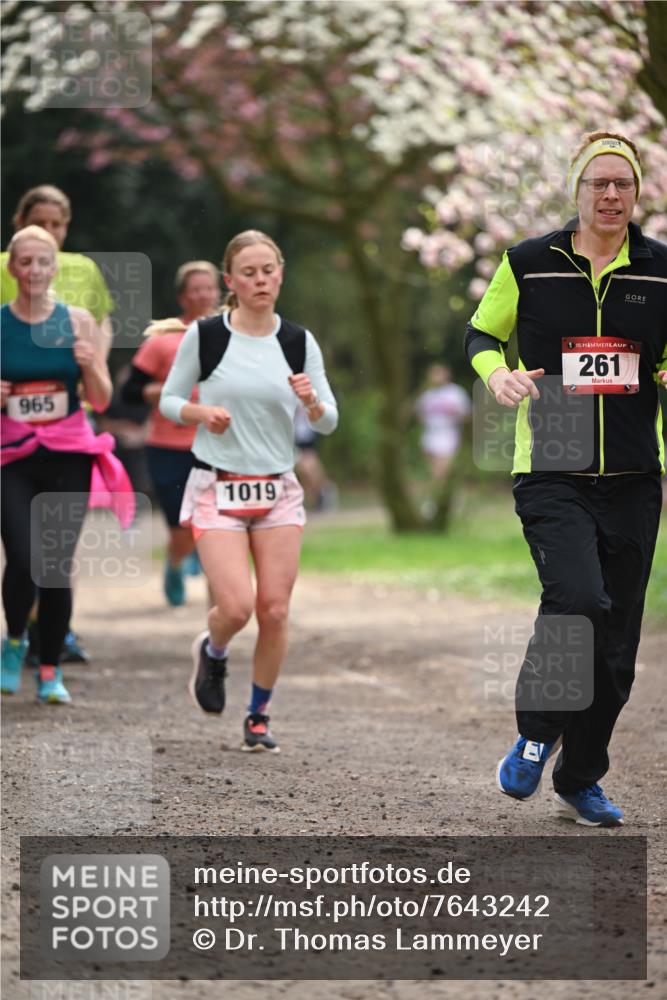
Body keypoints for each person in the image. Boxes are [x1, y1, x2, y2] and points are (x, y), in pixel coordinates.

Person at [465, 130, 667, 827]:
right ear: (576, 190)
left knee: (616, 651)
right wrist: (497, 376)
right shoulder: (526, 262)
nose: (610, 195)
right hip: (553, 460)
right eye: (597, 183)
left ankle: (579, 779)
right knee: (577, 598)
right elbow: (479, 336)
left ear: (636, 194)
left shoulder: (660, 270)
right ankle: (534, 733)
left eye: (622, 184)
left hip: (636, 472)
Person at [160, 230, 338, 752]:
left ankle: (258, 715)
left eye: (268, 270)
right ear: (230, 282)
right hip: (218, 486)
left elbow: (328, 421)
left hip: (277, 490)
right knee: (235, 607)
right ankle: (214, 650)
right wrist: (198, 412)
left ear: (280, 273)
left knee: (275, 610)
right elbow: (170, 400)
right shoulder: (208, 336)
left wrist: (310, 404)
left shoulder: (298, 343)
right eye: (249, 273)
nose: (260, 280)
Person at [0, 226, 132, 704]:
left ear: (55, 267)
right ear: (13, 268)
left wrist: (91, 365)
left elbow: (100, 398)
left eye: (43, 262)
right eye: (25, 261)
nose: (34, 270)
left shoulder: (77, 321)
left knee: (55, 565)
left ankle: (51, 669)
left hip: (68, 455)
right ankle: (15, 640)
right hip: (12, 459)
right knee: (22, 556)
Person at [122, 261, 221, 606]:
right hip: (168, 446)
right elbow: (130, 392)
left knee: (215, 522)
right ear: (182, 296)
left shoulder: (231, 332)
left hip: (217, 445)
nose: (203, 294)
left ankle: (219, 597)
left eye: (209, 287)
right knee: (182, 527)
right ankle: (176, 561)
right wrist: (164, 391)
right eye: (195, 288)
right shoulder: (164, 339)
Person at [414, 362, 471, 483]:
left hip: (448, 435)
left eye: (438, 373)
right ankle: (436, 496)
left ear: (446, 374)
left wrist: (455, 413)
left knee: (443, 469)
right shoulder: (427, 394)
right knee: (432, 470)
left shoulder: (455, 393)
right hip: (430, 435)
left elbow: (467, 415)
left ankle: (439, 497)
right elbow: (418, 414)